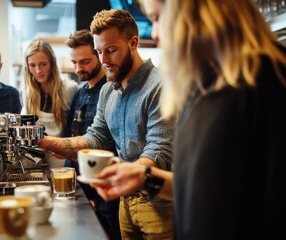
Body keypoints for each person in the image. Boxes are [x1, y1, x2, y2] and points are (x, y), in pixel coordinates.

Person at [91, 0, 286, 239]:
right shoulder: (202, 86)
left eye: (157, 18)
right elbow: (203, 188)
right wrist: (144, 177)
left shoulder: (265, 80)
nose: (156, 33)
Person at [38, 9, 176, 239]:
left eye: (111, 51)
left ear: (133, 43)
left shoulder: (160, 86)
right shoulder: (107, 92)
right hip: (125, 201)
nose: (104, 60)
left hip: (158, 203)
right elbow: (96, 138)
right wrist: (50, 142)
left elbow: (160, 150)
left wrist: (129, 174)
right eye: (99, 51)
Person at [63, 29, 120, 240]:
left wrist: (94, 194)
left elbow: (110, 146)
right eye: (74, 62)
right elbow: (73, 135)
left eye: (85, 61)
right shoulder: (79, 91)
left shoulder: (112, 91)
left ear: (99, 55)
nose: (79, 68)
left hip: (105, 187)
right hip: (82, 185)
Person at [21, 38, 78, 167]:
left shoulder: (69, 89)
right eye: (32, 65)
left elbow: (74, 131)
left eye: (43, 64)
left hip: (61, 161)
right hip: (34, 160)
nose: (38, 70)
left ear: (52, 63)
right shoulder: (26, 92)